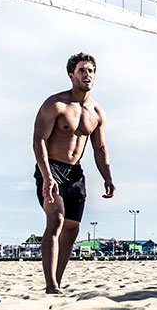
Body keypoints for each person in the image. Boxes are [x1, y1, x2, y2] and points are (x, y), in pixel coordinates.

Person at [32, 52, 115, 294]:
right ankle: (51, 285)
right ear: (71, 75)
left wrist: (107, 177)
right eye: (82, 70)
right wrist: (47, 176)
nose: (87, 75)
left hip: (75, 173)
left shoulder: (97, 112)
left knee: (72, 228)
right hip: (52, 168)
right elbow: (38, 141)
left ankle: (57, 281)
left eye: (91, 71)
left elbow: (99, 148)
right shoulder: (56, 104)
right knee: (56, 220)